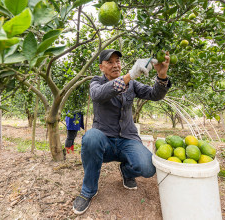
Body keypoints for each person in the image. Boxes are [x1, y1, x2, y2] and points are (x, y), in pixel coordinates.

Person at [72, 49, 171, 215]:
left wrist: (161, 76)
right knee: (90, 137)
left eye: (117, 61)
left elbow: (154, 94)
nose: (115, 65)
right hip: (104, 141)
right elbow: (98, 95)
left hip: (127, 139)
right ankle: (88, 191)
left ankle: (126, 170)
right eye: (110, 62)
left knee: (148, 168)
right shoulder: (96, 82)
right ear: (101, 67)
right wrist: (128, 76)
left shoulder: (132, 84)